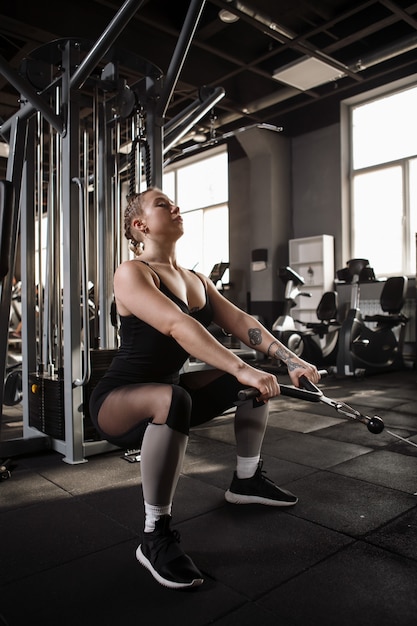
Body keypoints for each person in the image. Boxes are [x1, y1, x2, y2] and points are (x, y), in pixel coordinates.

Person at [89, 187, 320, 590]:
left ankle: (246, 480)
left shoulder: (196, 280)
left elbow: (241, 321)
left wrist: (290, 360)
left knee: (240, 384)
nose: (175, 207)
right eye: (163, 204)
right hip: (117, 400)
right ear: (139, 225)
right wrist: (243, 367)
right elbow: (178, 326)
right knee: (179, 394)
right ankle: (154, 534)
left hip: (169, 392)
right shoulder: (132, 272)